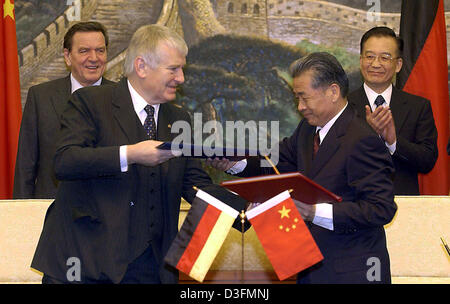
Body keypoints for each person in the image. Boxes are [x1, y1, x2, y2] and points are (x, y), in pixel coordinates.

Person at [30, 24, 247, 284]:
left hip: (150, 267)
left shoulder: (178, 119)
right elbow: (65, 161)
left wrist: (251, 210)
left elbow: (196, 186)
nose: (181, 78)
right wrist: (129, 154)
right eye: (173, 69)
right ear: (142, 66)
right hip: (85, 261)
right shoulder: (90, 102)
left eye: (182, 69)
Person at [209, 52, 397, 283]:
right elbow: (275, 164)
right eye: (297, 98)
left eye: (304, 98)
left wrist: (314, 212)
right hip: (308, 268)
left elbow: (381, 208)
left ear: (333, 91)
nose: (300, 107)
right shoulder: (308, 131)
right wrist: (236, 164)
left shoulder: (361, 138)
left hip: (352, 272)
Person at [13, 21, 114, 199]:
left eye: (100, 50)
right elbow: (25, 167)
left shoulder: (123, 98)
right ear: (67, 56)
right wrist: (22, 215)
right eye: (84, 51)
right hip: (52, 211)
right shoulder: (41, 97)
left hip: (108, 214)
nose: (94, 58)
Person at [347, 26, 438, 195]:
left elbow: (428, 161)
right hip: (353, 205)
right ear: (361, 61)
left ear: (398, 65)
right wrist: (367, 134)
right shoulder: (342, 106)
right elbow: (330, 158)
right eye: (370, 56)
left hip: (403, 206)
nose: (375, 64)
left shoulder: (418, 107)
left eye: (385, 57)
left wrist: (393, 142)